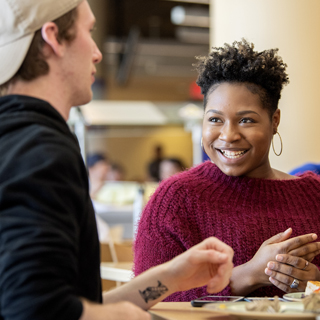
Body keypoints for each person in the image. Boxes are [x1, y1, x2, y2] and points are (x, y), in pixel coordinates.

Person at [0, 1, 234, 319]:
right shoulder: (39, 147)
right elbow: (36, 310)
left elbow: (72, 305)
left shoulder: (16, 139)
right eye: (89, 31)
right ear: (53, 37)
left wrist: (170, 277)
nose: (96, 52)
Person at [134, 39, 320, 301]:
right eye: (215, 120)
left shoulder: (313, 195)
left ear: (274, 121)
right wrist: (248, 275)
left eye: (246, 120)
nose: (228, 135)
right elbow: (145, 298)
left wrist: (314, 284)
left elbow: (316, 289)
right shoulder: (175, 199)